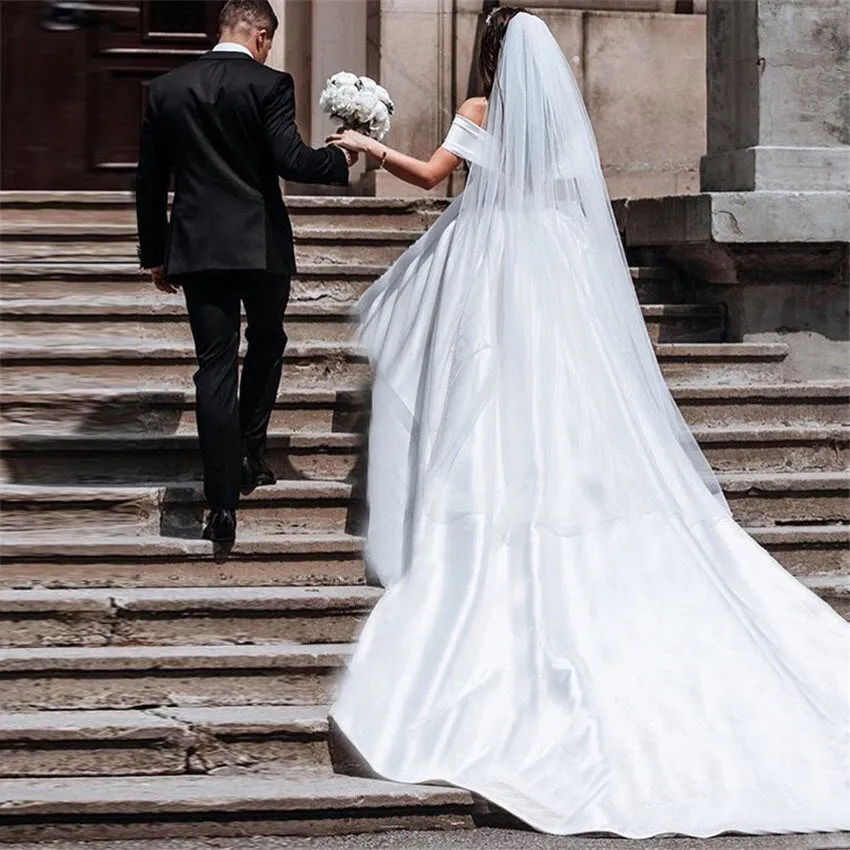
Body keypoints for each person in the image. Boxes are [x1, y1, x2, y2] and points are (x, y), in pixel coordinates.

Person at [326, 8, 850, 838]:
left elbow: (428, 180)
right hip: (554, 266)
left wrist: (367, 147)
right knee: (559, 395)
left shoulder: (478, 112)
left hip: (491, 259)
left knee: (477, 386)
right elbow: (578, 199)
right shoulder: (560, 129)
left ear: (489, 53)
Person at [136, 0, 355, 545]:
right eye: (268, 42)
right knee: (267, 341)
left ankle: (222, 502)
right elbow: (291, 159)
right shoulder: (270, 84)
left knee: (213, 368)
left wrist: (154, 253)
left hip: (199, 248)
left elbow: (148, 180)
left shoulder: (166, 88)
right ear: (260, 35)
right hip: (260, 246)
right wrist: (344, 157)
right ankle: (251, 454)